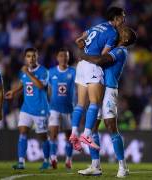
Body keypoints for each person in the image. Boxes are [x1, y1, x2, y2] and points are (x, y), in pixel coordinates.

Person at [78, 26, 137, 178]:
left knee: (111, 126)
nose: (120, 31)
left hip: (110, 89)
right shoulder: (112, 47)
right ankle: (95, 165)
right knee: (93, 127)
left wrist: (83, 55)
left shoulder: (120, 51)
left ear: (125, 39)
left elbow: (100, 60)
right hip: (100, 87)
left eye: (124, 32)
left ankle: (123, 166)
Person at [69, 6, 125, 151]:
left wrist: (84, 48)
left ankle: (74, 133)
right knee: (95, 102)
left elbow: (79, 39)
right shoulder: (113, 33)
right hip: (92, 66)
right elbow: (102, 57)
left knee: (80, 104)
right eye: (122, 17)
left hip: (80, 66)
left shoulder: (98, 25)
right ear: (117, 18)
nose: (124, 20)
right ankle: (86, 135)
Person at [5, 47, 50, 170]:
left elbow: (40, 86)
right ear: (25, 58)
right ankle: (21, 162)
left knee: (43, 136)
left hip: (40, 109)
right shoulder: (24, 72)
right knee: (23, 131)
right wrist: (14, 92)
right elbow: (23, 83)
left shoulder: (43, 71)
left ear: (37, 57)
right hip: (26, 108)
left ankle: (47, 160)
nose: (31, 58)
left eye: (34, 56)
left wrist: (28, 73)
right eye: (29, 56)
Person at [48, 48, 76, 169]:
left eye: (66, 56)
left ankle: (68, 160)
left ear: (68, 58)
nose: (63, 58)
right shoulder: (51, 72)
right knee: (53, 133)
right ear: (57, 58)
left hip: (69, 109)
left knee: (68, 136)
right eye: (61, 56)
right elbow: (49, 89)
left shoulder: (73, 72)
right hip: (54, 108)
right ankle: (53, 158)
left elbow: (79, 87)